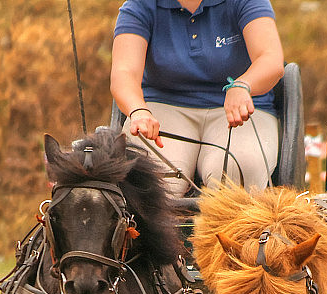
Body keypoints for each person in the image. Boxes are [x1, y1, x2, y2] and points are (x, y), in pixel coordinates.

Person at [110, 0, 285, 197]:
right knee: (154, 180)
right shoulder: (140, 5)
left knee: (237, 172)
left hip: (240, 108)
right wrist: (138, 110)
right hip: (162, 107)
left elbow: (270, 59)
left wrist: (242, 85)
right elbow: (124, 73)